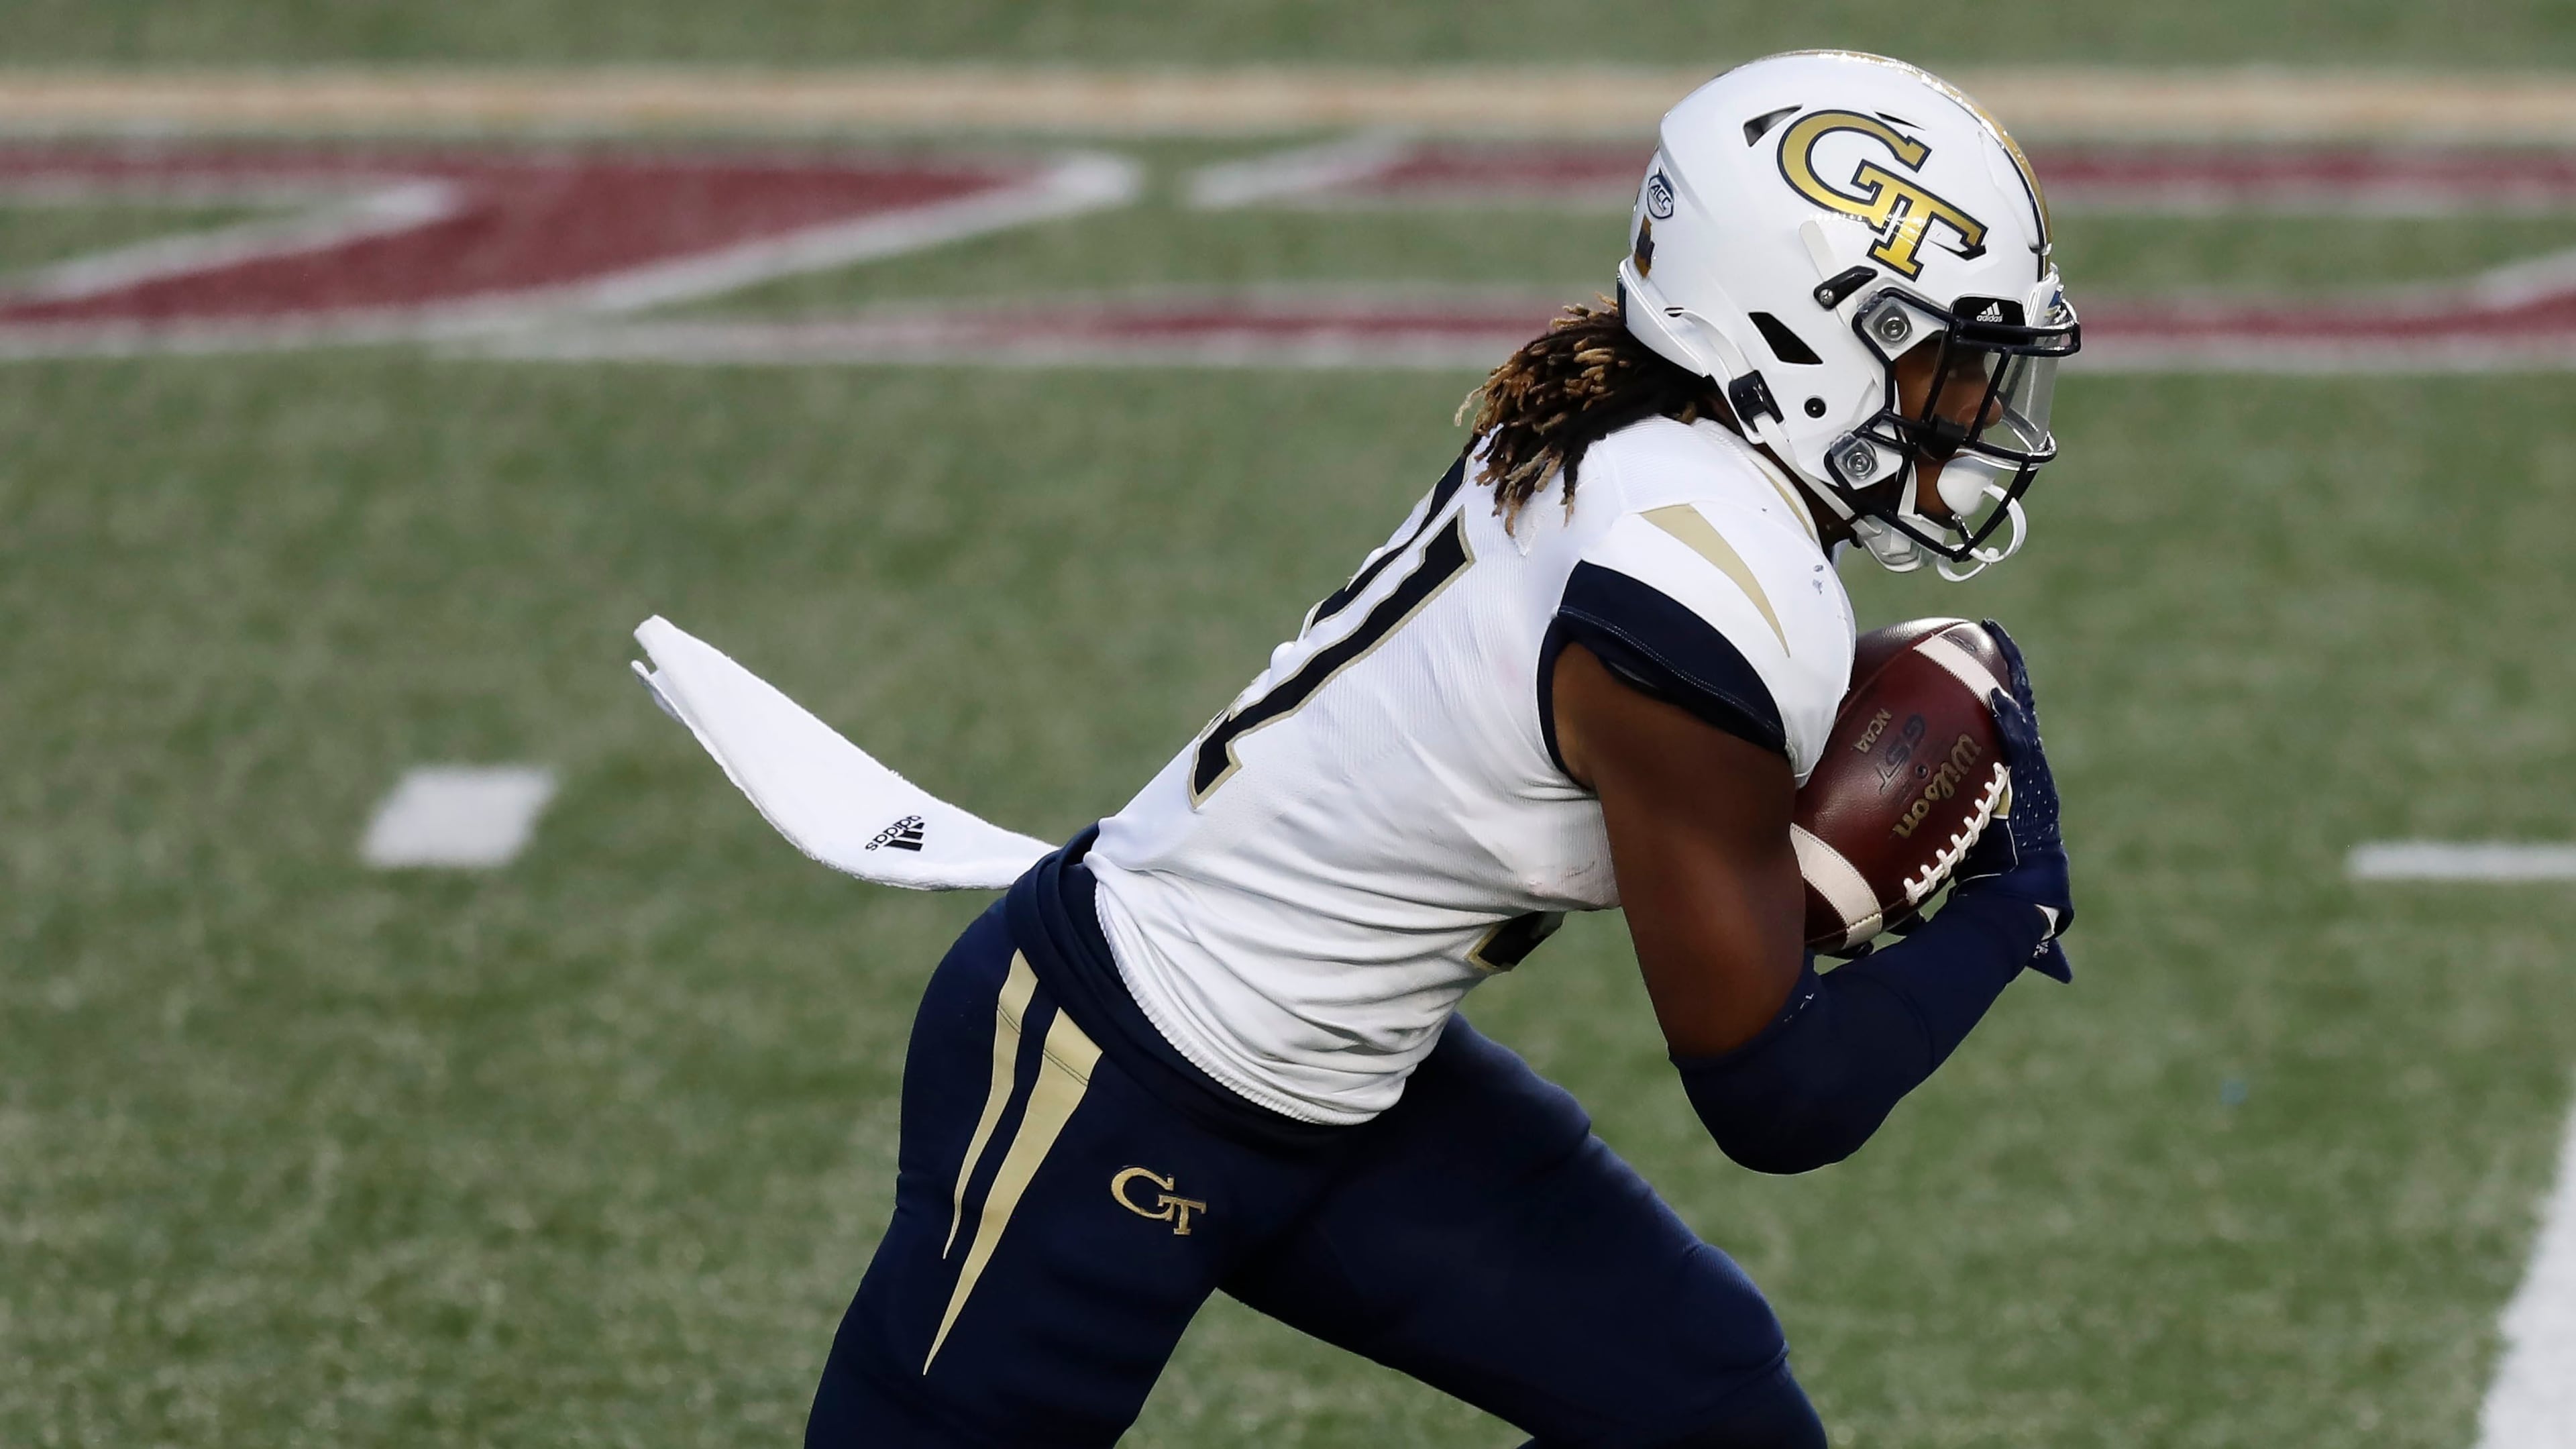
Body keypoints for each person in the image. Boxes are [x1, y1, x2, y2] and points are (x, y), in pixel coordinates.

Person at [801, 50, 2080, 1448]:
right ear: (1800, 336)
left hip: (1346, 1075)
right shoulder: (1699, 593)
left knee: (1712, 1420)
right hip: (1120, 1065)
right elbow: (1776, 1094)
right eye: (1944, 359)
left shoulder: (1641, 416)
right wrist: (2012, 912)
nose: (1971, 411)